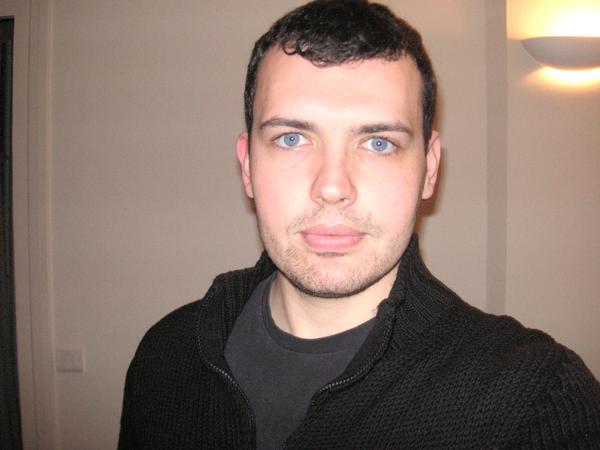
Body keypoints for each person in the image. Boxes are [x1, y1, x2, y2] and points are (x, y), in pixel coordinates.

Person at [118, 1, 600, 448]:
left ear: (429, 169)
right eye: (291, 138)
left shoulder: (534, 401)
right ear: (247, 166)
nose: (332, 187)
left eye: (378, 143)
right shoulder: (167, 354)